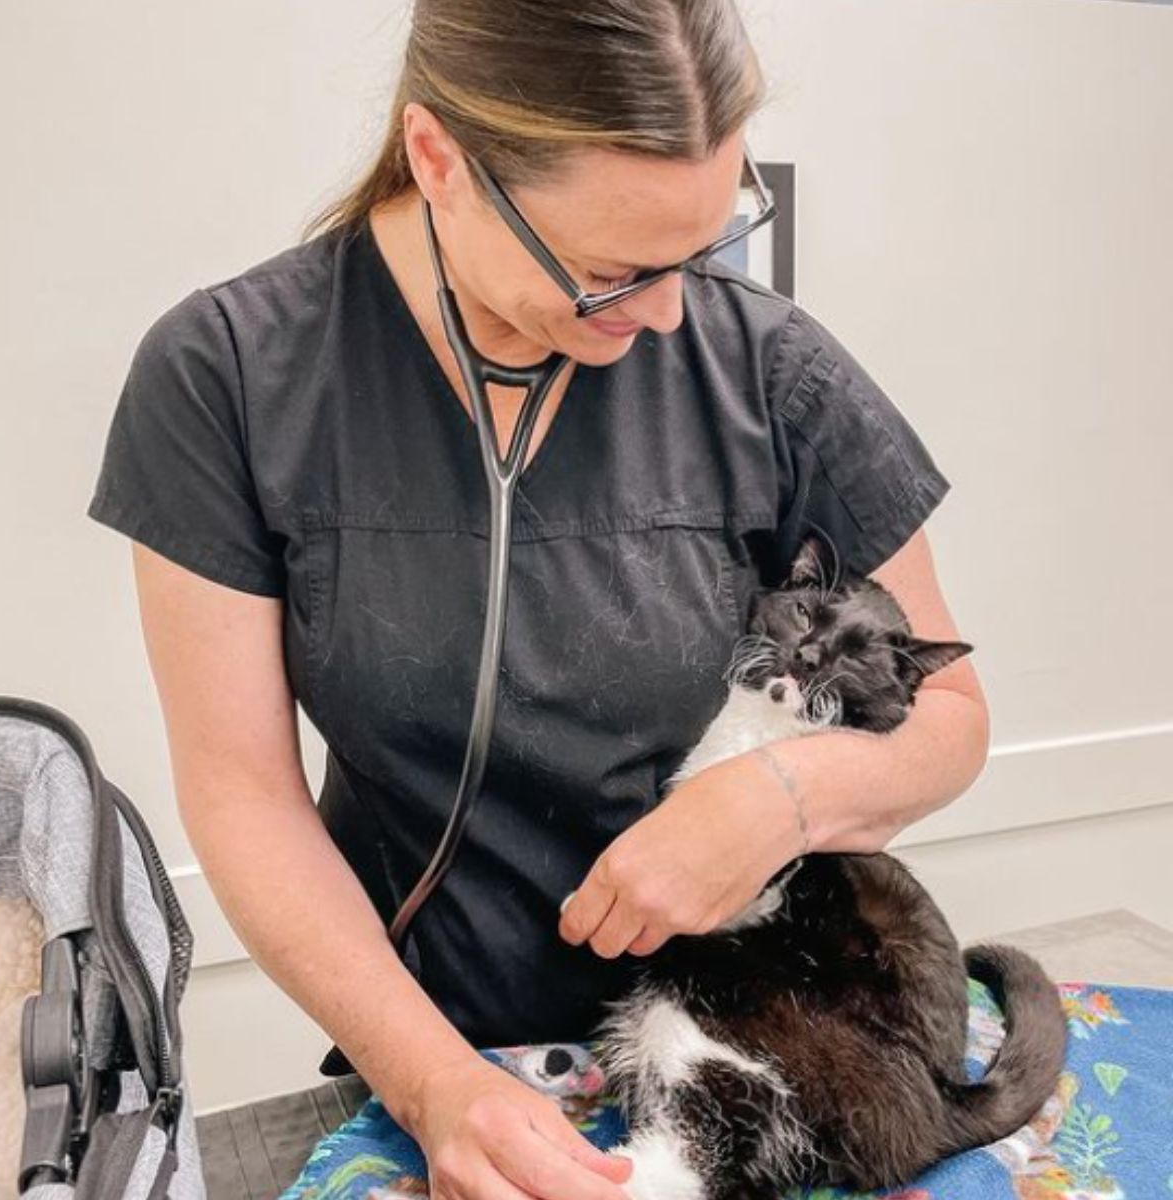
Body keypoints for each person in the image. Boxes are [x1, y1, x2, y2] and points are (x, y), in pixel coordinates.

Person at [86, 1, 990, 1196]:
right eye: (614, 272)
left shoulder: (771, 370)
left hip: (759, 1027)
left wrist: (778, 802)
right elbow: (241, 790)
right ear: (439, 160)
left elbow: (951, 716)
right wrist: (431, 1083)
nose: (670, 314)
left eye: (704, 248)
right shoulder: (229, 380)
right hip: (442, 1050)